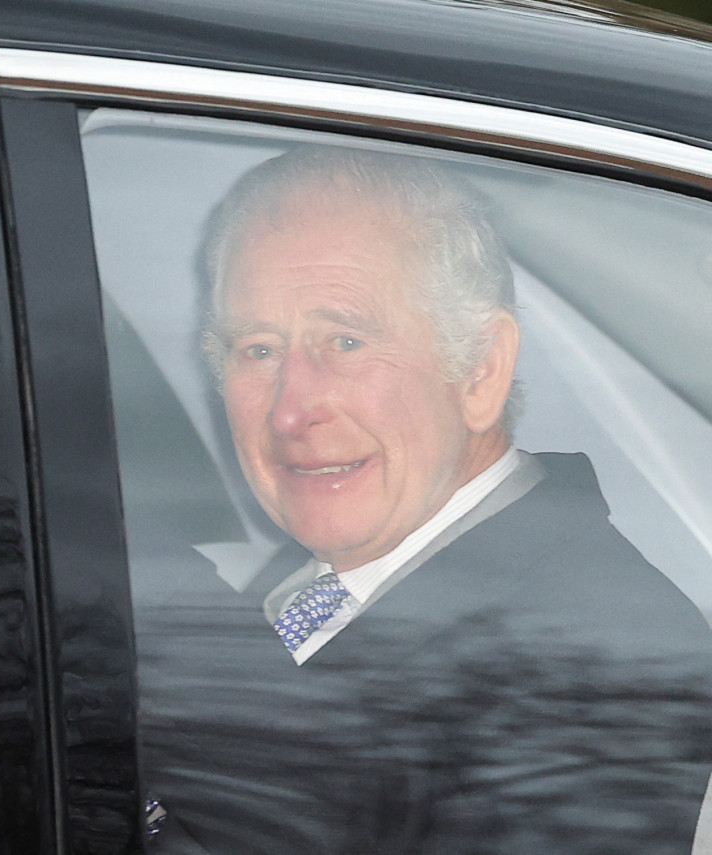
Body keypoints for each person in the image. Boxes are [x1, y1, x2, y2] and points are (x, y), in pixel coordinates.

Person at [139, 146, 712, 853]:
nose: (291, 410)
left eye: (345, 340)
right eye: (258, 349)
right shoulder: (325, 588)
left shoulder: (600, 677)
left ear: (480, 368)